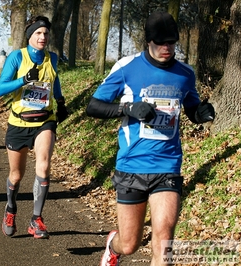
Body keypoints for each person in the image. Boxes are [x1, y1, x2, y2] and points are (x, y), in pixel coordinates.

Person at [86, 11, 215, 266]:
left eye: (172, 42)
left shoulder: (185, 73)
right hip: (132, 165)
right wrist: (128, 109)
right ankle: (114, 246)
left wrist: (200, 114)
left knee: (164, 238)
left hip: (167, 166)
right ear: (148, 41)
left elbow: (190, 107)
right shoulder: (127, 67)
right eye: (160, 43)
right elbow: (93, 106)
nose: (167, 48)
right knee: (130, 243)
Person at [0, 16, 69, 239]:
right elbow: (1, 88)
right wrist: (24, 80)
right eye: (38, 33)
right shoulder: (17, 56)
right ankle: (10, 209)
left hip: (44, 120)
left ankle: (36, 219)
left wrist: (61, 101)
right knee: (16, 176)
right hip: (19, 122)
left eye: (46, 33)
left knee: (44, 165)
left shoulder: (52, 58)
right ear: (30, 36)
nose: (43, 37)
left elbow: (54, 80)